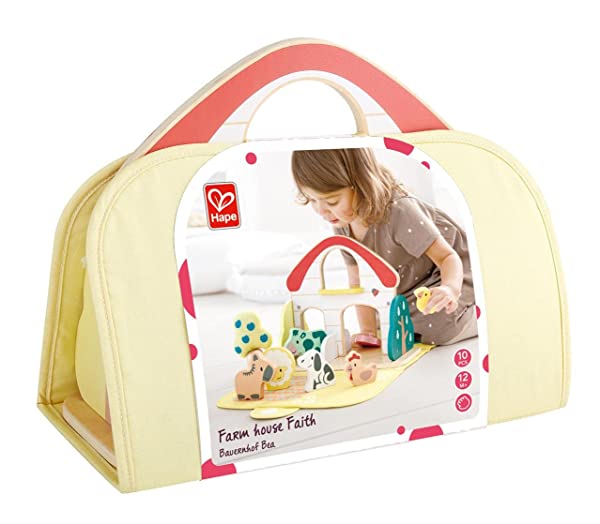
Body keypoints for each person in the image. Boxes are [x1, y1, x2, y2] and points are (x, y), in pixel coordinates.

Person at [290, 147, 478, 346]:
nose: (321, 210)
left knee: (439, 327)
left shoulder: (399, 211)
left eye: (332, 201)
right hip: (406, 290)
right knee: (393, 324)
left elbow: (447, 257)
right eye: (312, 200)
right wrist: (368, 331)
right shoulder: (342, 221)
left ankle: (481, 314)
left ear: (361, 184)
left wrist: (449, 289)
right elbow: (358, 282)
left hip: (449, 273)